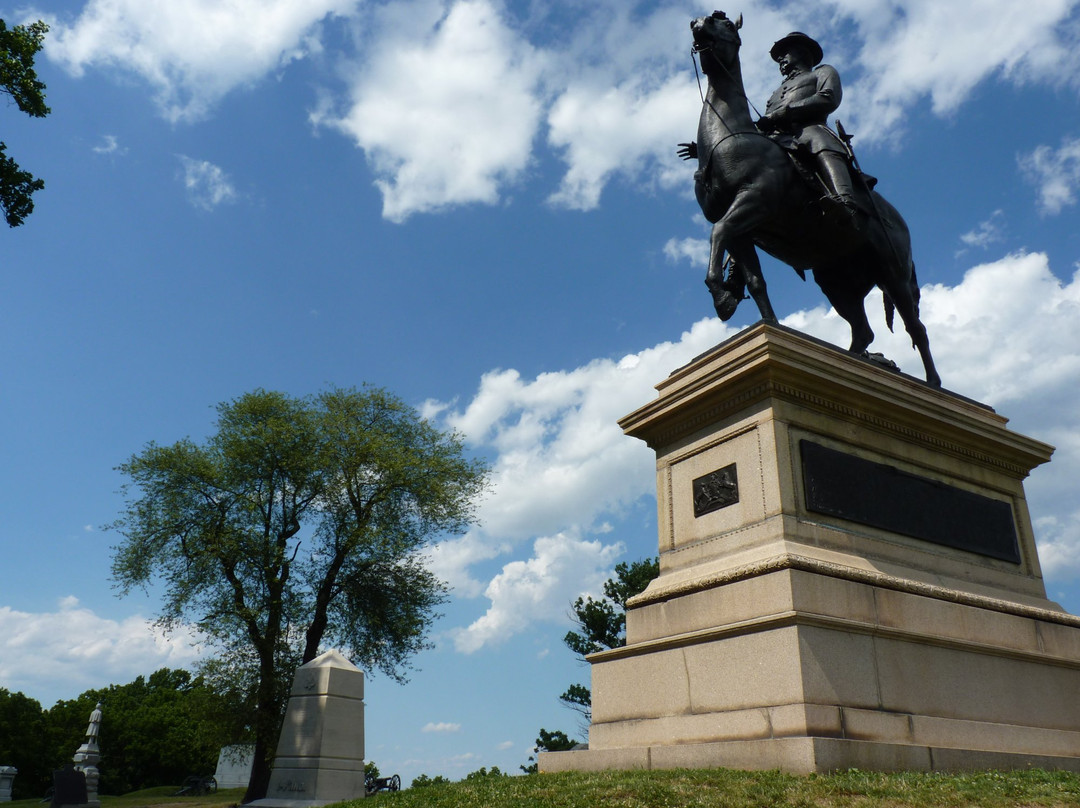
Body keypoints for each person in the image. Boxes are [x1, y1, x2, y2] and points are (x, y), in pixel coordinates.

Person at [756, 32, 858, 217]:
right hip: (777, 137)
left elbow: (828, 98)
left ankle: (845, 202)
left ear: (801, 53)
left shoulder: (823, 72)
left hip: (809, 128)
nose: (780, 58)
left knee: (818, 140)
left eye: (786, 52)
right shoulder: (776, 92)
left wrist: (784, 112)